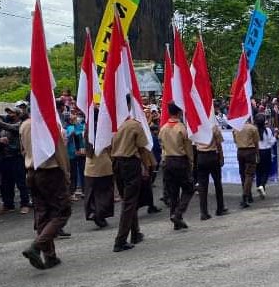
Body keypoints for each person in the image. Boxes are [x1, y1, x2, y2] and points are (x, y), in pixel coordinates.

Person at [18, 106, 71, 269]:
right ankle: (37, 246)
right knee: (62, 212)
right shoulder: (49, 123)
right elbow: (60, 151)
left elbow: (23, 150)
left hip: (32, 172)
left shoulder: (24, 125)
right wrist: (66, 172)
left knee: (42, 213)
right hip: (51, 171)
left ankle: (50, 256)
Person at [110, 96, 152, 251]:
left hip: (116, 163)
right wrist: (146, 167)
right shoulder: (134, 125)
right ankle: (120, 240)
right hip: (130, 163)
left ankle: (135, 233)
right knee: (129, 202)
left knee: (128, 200)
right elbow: (142, 148)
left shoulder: (112, 123)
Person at [159, 103, 195, 229]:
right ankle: (178, 214)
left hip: (167, 161)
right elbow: (188, 148)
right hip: (180, 160)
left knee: (173, 192)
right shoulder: (181, 128)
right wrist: (191, 161)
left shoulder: (163, 128)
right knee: (189, 189)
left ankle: (175, 219)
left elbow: (162, 146)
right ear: (179, 112)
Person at [83, 108, 114, 228]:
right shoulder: (103, 129)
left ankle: (92, 211)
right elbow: (109, 145)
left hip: (90, 163)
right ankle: (100, 214)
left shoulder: (87, 129)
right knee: (105, 191)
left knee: (91, 191)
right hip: (103, 162)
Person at [195, 122, 228, 219]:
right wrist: (221, 158)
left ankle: (203, 212)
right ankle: (220, 208)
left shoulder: (197, 126)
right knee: (218, 183)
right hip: (213, 156)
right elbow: (219, 144)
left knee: (202, 186)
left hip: (201, 156)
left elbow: (192, 142)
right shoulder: (213, 127)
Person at [233, 117, 260, 208]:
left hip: (240, 151)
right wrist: (257, 154)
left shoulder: (236, 128)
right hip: (250, 151)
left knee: (243, 174)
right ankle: (245, 195)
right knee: (249, 175)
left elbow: (235, 141)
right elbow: (256, 143)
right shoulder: (253, 128)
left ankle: (248, 195)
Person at [254, 113, 277, 200]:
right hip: (266, 152)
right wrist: (275, 136)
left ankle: (259, 186)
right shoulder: (267, 130)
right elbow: (271, 142)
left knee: (258, 170)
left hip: (257, 151)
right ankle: (262, 186)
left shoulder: (254, 130)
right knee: (266, 171)